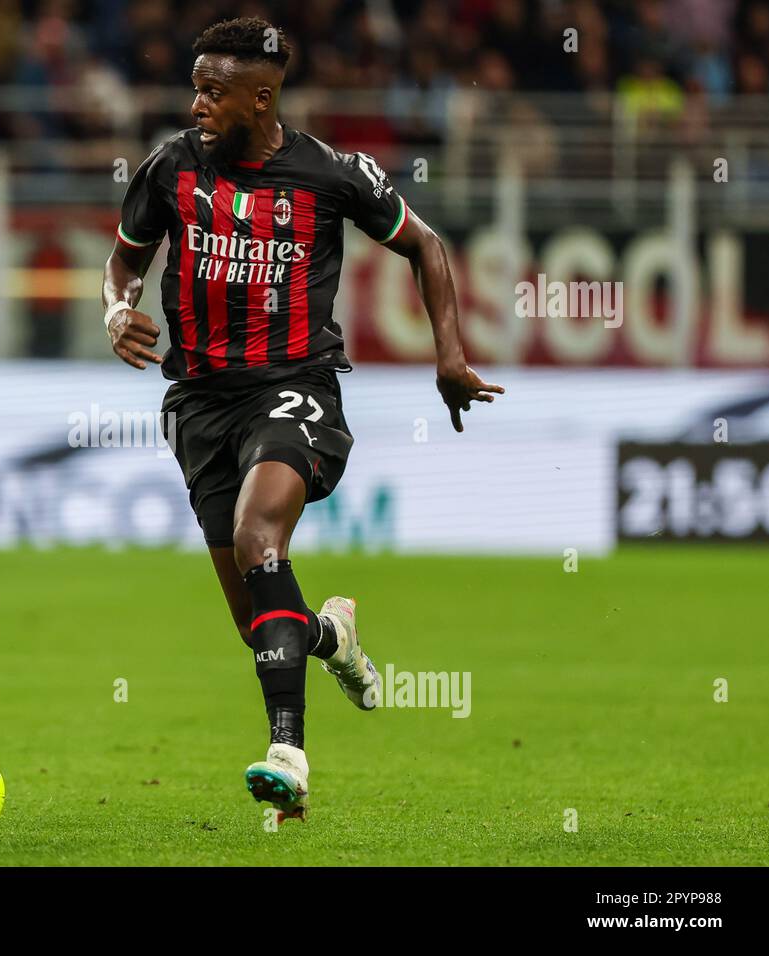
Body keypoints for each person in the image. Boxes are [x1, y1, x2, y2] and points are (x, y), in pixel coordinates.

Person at [99, 16, 503, 822]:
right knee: (262, 626)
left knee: (259, 538)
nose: (198, 103)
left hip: (297, 391)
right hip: (198, 406)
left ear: (262, 94)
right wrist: (116, 311)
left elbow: (428, 246)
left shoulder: (330, 173)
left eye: (215, 91)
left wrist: (449, 356)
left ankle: (288, 755)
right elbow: (124, 262)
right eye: (196, 87)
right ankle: (332, 638)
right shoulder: (168, 168)